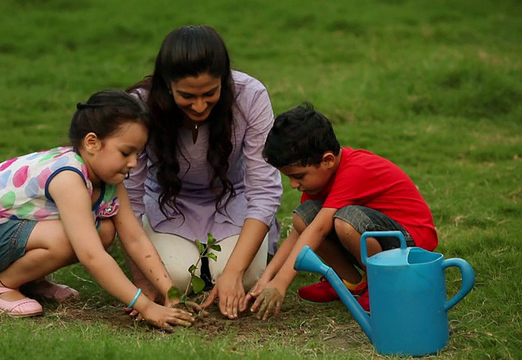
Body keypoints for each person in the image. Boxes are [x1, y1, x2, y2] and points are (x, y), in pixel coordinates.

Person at [0, 89, 196, 331]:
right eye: (126, 152)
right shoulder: (68, 177)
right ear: (92, 142)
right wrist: (144, 305)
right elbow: (91, 255)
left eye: (138, 154)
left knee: (105, 231)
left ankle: (29, 281)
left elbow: (135, 239)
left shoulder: (111, 180)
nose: (133, 163)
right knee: (72, 239)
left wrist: (170, 294)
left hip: (8, 234)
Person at [124, 25, 283, 319]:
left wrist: (234, 273)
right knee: (179, 280)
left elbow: (265, 190)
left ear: (225, 80)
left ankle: (237, 261)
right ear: (167, 86)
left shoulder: (251, 96)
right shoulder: (141, 105)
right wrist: (141, 280)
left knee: (243, 278)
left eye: (210, 93)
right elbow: (128, 198)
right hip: (167, 203)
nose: (199, 105)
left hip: (233, 199)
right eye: (186, 96)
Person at [247, 102, 438, 320]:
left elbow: (319, 230)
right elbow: (301, 234)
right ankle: (349, 283)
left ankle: (382, 288)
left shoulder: (355, 170)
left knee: (345, 222)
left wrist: (282, 284)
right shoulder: (320, 181)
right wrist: (268, 278)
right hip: (378, 237)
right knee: (304, 216)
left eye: (298, 176)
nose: (293, 184)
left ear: (327, 160)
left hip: (411, 244)